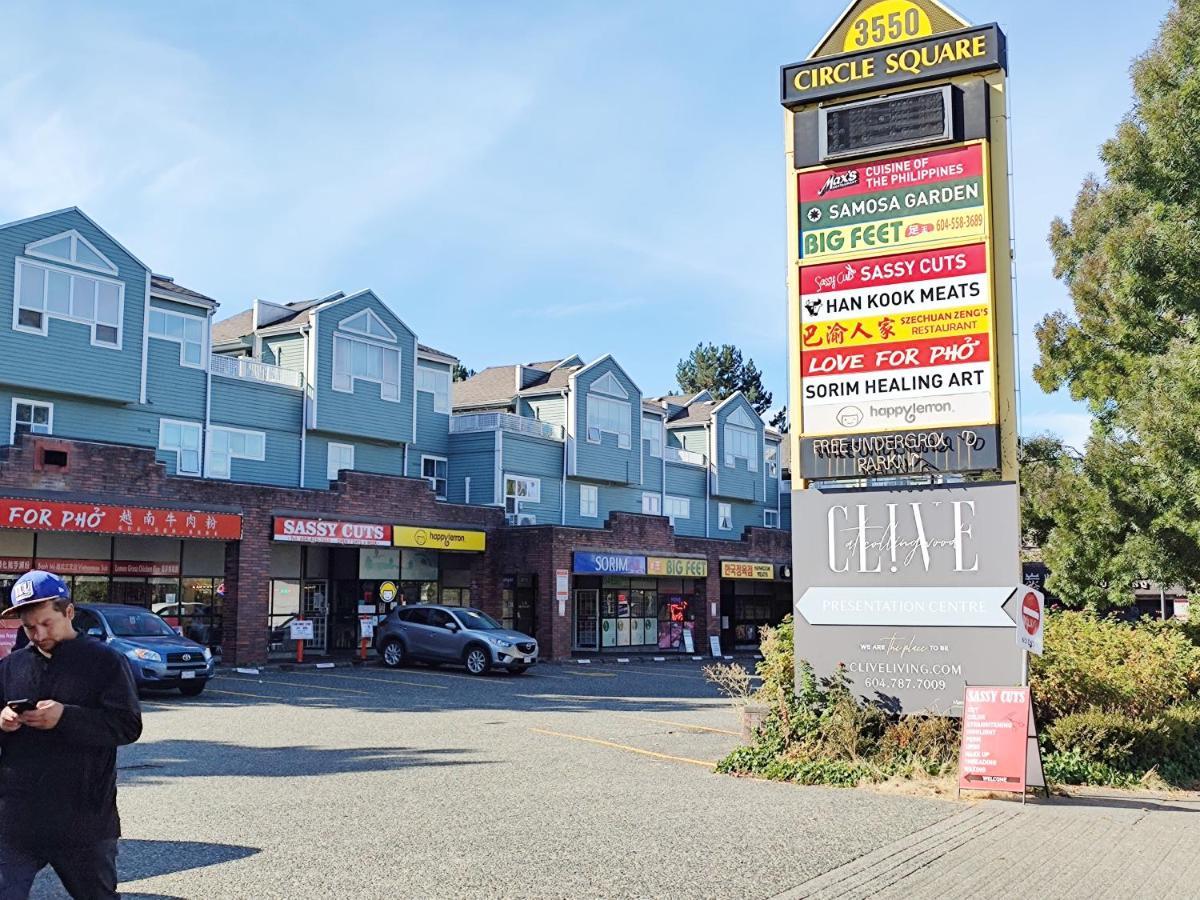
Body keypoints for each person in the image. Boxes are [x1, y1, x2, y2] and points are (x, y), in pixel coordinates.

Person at [0, 570, 143, 899]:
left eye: (45, 623)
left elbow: (127, 725)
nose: (37, 634)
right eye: (28, 626)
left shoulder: (106, 662)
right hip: (17, 819)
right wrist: (3, 720)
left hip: (84, 819)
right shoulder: (10, 667)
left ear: (69, 612)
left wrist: (66, 716)